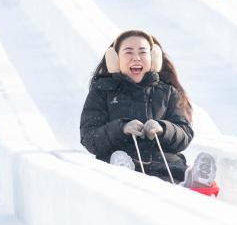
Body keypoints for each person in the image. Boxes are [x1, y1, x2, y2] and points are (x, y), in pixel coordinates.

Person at [80, 30, 215, 188]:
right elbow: (89, 136)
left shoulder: (168, 93)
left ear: (153, 59)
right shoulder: (102, 92)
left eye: (142, 52)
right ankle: (122, 173)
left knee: (176, 175)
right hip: (123, 160)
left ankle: (194, 181)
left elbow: (184, 133)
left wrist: (163, 129)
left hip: (165, 164)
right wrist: (121, 128)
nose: (136, 57)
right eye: (128, 52)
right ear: (115, 59)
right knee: (120, 161)